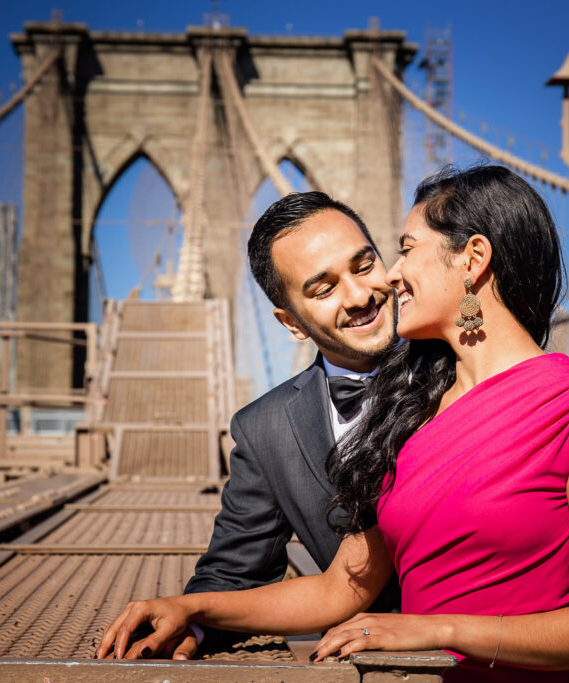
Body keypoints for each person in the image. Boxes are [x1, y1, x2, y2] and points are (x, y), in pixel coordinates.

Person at [96, 166, 569, 682]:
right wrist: (189, 608)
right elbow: (341, 587)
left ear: (472, 258)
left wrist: (437, 630)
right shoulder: (412, 419)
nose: (385, 278)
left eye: (398, 252)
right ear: (290, 322)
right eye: (324, 287)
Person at [169, 191, 402, 659]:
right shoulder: (264, 429)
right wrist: (188, 626)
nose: (359, 297)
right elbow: (235, 573)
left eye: (363, 265)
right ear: (291, 323)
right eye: (324, 289)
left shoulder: (463, 371)